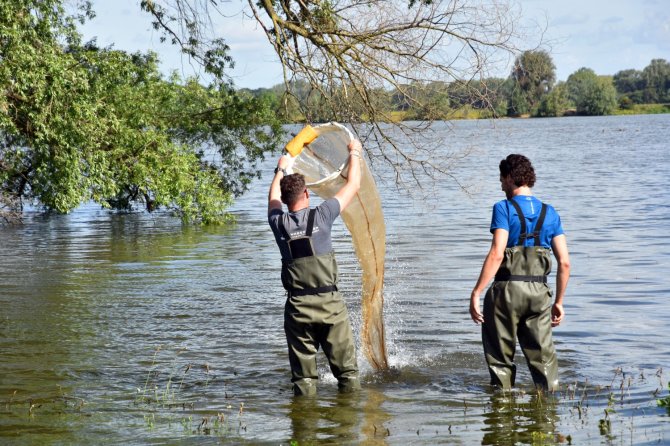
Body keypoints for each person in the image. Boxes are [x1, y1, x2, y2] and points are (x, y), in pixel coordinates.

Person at [268, 138, 363, 396]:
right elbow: (353, 184)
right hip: (330, 307)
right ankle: (346, 428)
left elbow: (273, 199)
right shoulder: (323, 214)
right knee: (347, 375)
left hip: (298, 311)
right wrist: (354, 152)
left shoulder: (278, 224)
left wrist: (281, 168)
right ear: (306, 194)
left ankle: (302, 430)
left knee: (303, 381)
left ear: (287, 201)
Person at [469, 154, 570, 391]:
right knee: (544, 360)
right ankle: (547, 415)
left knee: (501, 360)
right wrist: (559, 302)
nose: (501, 184)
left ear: (511, 177)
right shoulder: (550, 212)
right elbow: (564, 262)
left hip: (506, 292)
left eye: (502, 178)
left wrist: (476, 292)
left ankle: (502, 416)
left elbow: (497, 253)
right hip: (539, 293)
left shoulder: (503, 208)